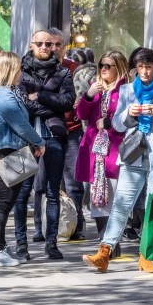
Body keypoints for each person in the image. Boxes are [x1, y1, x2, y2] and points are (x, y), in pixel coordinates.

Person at [83, 48, 153, 273]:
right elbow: (117, 124)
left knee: (152, 206)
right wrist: (130, 113)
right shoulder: (128, 90)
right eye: (140, 67)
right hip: (132, 154)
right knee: (121, 205)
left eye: (149, 67)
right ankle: (104, 252)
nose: (145, 72)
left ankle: (146, 256)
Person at [12, 30, 75, 261]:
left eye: (49, 43)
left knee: (52, 192)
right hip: (26, 138)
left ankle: (51, 243)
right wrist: (50, 103)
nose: (45, 47)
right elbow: (21, 104)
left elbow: (67, 103)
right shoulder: (21, 70)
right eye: (40, 43)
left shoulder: (63, 72)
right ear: (32, 44)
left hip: (54, 136)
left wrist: (41, 97)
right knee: (23, 193)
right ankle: (21, 245)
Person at [0, 52, 46, 267]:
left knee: (3, 201)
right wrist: (39, 141)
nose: (21, 72)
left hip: (6, 149)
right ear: (9, 69)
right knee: (2, 202)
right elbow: (19, 124)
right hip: (6, 150)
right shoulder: (2, 95)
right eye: (18, 68)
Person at [75, 51, 129, 242]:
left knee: (116, 195)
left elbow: (130, 118)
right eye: (101, 65)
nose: (103, 69)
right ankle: (103, 240)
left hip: (116, 148)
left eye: (108, 66)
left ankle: (113, 239)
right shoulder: (95, 88)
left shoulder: (126, 89)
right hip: (95, 150)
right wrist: (89, 96)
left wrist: (110, 122)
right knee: (98, 195)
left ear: (119, 68)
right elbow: (81, 114)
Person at [59, 46, 89, 240]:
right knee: (47, 185)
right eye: (44, 44)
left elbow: (84, 97)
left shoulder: (75, 69)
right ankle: (51, 225)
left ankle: (76, 223)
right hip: (46, 132)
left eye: (54, 44)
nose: (49, 48)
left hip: (72, 129)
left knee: (73, 183)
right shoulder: (31, 69)